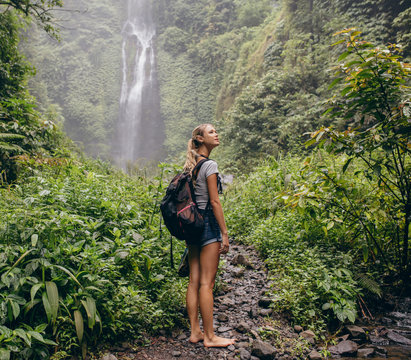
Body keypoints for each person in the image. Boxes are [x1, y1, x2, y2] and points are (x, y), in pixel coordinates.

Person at [183, 123, 235, 348]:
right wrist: (224, 233)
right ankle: (211, 337)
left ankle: (196, 331)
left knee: (194, 281)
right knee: (207, 284)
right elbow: (214, 201)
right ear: (201, 139)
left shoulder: (191, 165)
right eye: (212, 132)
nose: (217, 134)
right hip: (207, 225)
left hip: (192, 226)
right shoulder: (210, 165)